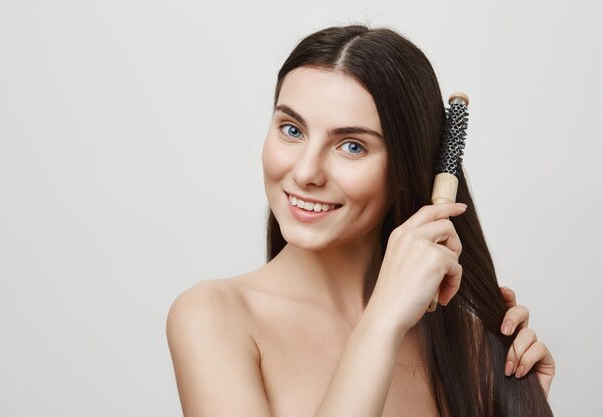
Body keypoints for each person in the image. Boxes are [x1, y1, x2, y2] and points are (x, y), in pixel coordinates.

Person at [166, 25, 555, 417]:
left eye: (352, 146)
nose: (306, 172)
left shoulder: (463, 345)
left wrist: (519, 402)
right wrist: (381, 324)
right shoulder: (214, 317)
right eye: (292, 129)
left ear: (406, 169)